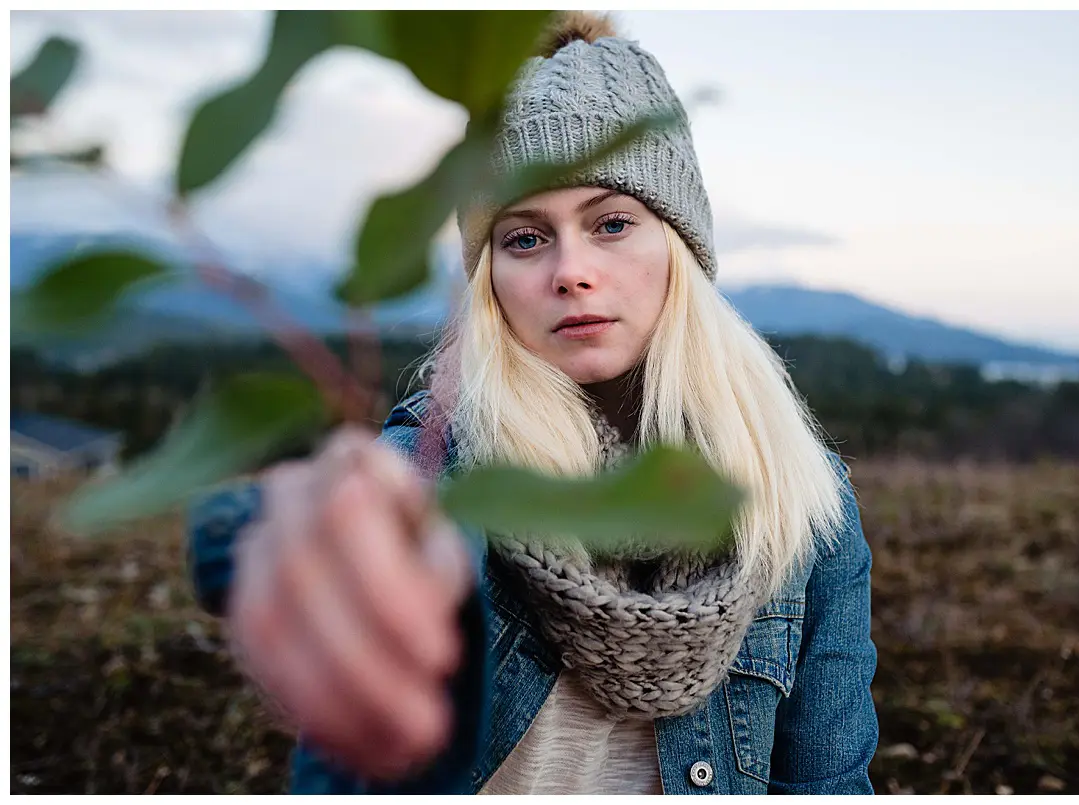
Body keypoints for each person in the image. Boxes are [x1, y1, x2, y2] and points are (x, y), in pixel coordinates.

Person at [186, 11, 879, 795]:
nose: (571, 270)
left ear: (679, 245)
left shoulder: (799, 495)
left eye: (612, 223)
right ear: (489, 278)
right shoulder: (439, 472)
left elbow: (829, 782)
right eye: (524, 237)